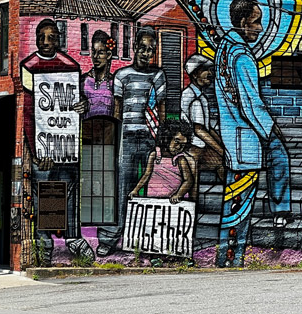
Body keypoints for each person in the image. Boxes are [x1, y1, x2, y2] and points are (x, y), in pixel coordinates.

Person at [215, 0, 292, 267]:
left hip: (233, 136)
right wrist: (272, 131)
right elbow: (250, 103)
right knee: (239, 204)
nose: (260, 29)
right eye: (256, 22)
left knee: (234, 203)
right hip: (246, 140)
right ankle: (232, 259)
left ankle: (228, 257)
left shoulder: (225, 47)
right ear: (243, 22)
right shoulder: (242, 56)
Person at [21, 18, 94, 264]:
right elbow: (28, 114)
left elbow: (78, 104)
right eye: (41, 37)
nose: (46, 42)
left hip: (66, 146)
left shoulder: (70, 66)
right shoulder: (29, 67)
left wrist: (83, 105)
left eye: (52, 37)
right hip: (43, 151)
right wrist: (35, 151)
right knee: (46, 196)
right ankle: (44, 244)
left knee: (70, 191)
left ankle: (73, 238)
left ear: (59, 40)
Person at [96, 26, 167, 257]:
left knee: (149, 190)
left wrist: (161, 143)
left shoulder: (158, 75)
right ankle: (109, 238)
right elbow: (116, 111)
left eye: (151, 50)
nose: (147, 53)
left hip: (149, 138)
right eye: (143, 48)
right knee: (122, 188)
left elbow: (162, 111)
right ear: (135, 47)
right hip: (126, 137)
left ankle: (144, 240)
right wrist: (115, 141)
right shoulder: (121, 76)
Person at [181, 54, 225, 200]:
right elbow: (199, 130)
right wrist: (220, 150)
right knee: (192, 187)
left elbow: (207, 128)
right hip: (193, 151)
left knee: (221, 164)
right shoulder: (193, 97)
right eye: (206, 70)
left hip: (201, 150)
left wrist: (221, 145)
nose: (210, 74)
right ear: (195, 74)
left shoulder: (199, 96)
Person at [129, 120, 195, 202]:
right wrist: (136, 190)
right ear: (168, 137)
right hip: (154, 201)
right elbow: (146, 174)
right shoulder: (155, 155)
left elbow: (189, 180)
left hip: (173, 203)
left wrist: (178, 195)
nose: (178, 147)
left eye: (182, 145)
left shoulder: (180, 159)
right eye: (176, 142)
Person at [75, 30, 115, 119]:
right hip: (87, 129)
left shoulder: (114, 83)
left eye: (100, 53)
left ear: (108, 55)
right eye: (93, 52)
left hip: (108, 130)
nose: (96, 56)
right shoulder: (83, 81)